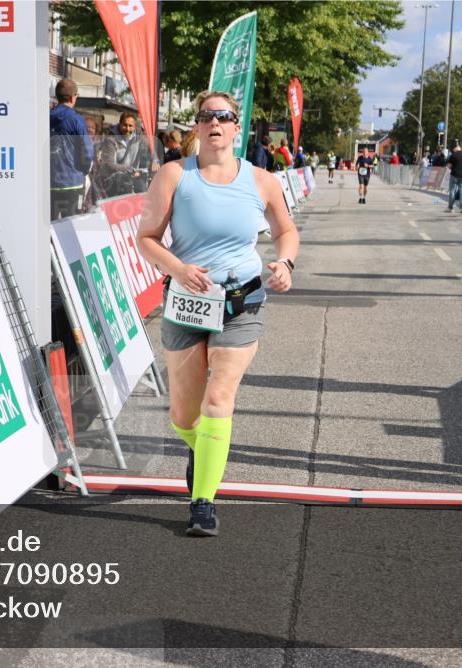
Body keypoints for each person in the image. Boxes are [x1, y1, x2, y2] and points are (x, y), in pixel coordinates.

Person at [136, 90, 299, 536]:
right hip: (187, 302)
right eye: (207, 116)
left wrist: (284, 263)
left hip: (241, 302)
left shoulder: (262, 180)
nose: (216, 124)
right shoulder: (172, 175)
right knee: (184, 417)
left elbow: (286, 230)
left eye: (224, 117)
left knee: (218, 400)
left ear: (236, 126)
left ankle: (203, 504)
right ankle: (207, 447)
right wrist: (179, 268)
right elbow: (146, 237)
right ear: (197, 126)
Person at [49, 78, 93, 219]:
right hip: (72, 182)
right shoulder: (77, 119)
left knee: (48, 226)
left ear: (57, 97)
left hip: (49, 183)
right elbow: (87, 151)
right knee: (73, 225)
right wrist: (84, 170)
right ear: (73, 97)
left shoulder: (45, 117)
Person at [97, 112, 151, 196]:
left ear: (135, 126)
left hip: (131, 180)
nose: (127, 129)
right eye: (125, 125)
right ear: (119, 124)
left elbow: (151, 148)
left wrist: (155, 160)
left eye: (130, 126)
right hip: (113, 182)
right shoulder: (111, 140)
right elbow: (109, 164)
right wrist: (130, 169)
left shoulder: (139, 137)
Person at [445, 142, 462, 213]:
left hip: (454, 175)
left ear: (454, 149)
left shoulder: (453, 156)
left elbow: (449, 166)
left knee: (452, 191)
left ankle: (450, 207)